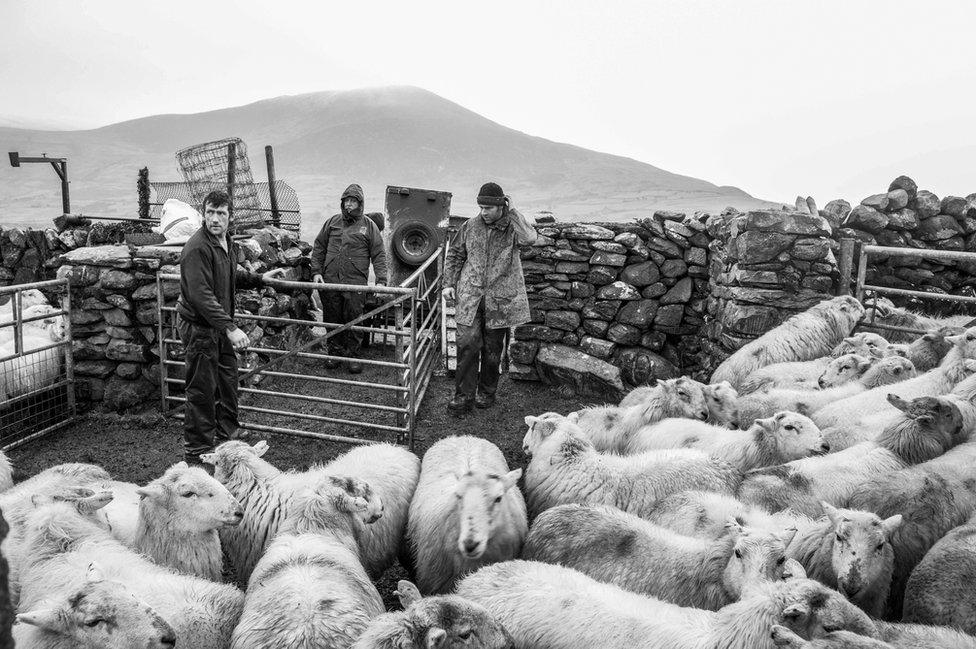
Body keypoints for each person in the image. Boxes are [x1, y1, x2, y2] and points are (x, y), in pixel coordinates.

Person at [176, 190, 284, 468]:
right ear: (203, 214)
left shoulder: (226, 243)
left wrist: (259, 278)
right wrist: (230, 327)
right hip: (200, 328)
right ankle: (197, 453)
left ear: (229, 217)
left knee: (227, 380)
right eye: (210, 212)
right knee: (201, 389)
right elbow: (201, 295)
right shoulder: (197, 248)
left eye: (220, 213)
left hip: (219, 326)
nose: (215, 219)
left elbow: (229, 274)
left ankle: (227, 435)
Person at [442, 182, 537, 415]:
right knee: (467, 345)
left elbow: (530, 238)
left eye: (488, 207)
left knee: (493, 349)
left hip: (499, 299)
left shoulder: (512, 228)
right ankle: (462, 397)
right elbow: (455, 254)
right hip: (470, 295)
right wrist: (448, 284)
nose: (483, 212)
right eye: (481, 207)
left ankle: (487, 392)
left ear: (501, 206)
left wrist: (513, 211)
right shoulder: (469, 226)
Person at [310, 184, 388, 374]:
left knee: (354, 318)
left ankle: (353, 356)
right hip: (330, 279)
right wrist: (317, 271)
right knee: (332, 317)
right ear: (342, 203)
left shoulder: (369, 226)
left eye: (353, 201)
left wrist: (381, 280)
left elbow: (379, 254)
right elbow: (319, 246)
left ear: (360, 204)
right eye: (347, 201)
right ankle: (334, 354)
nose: (349, 205)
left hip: (355, 282)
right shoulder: (332, 223)